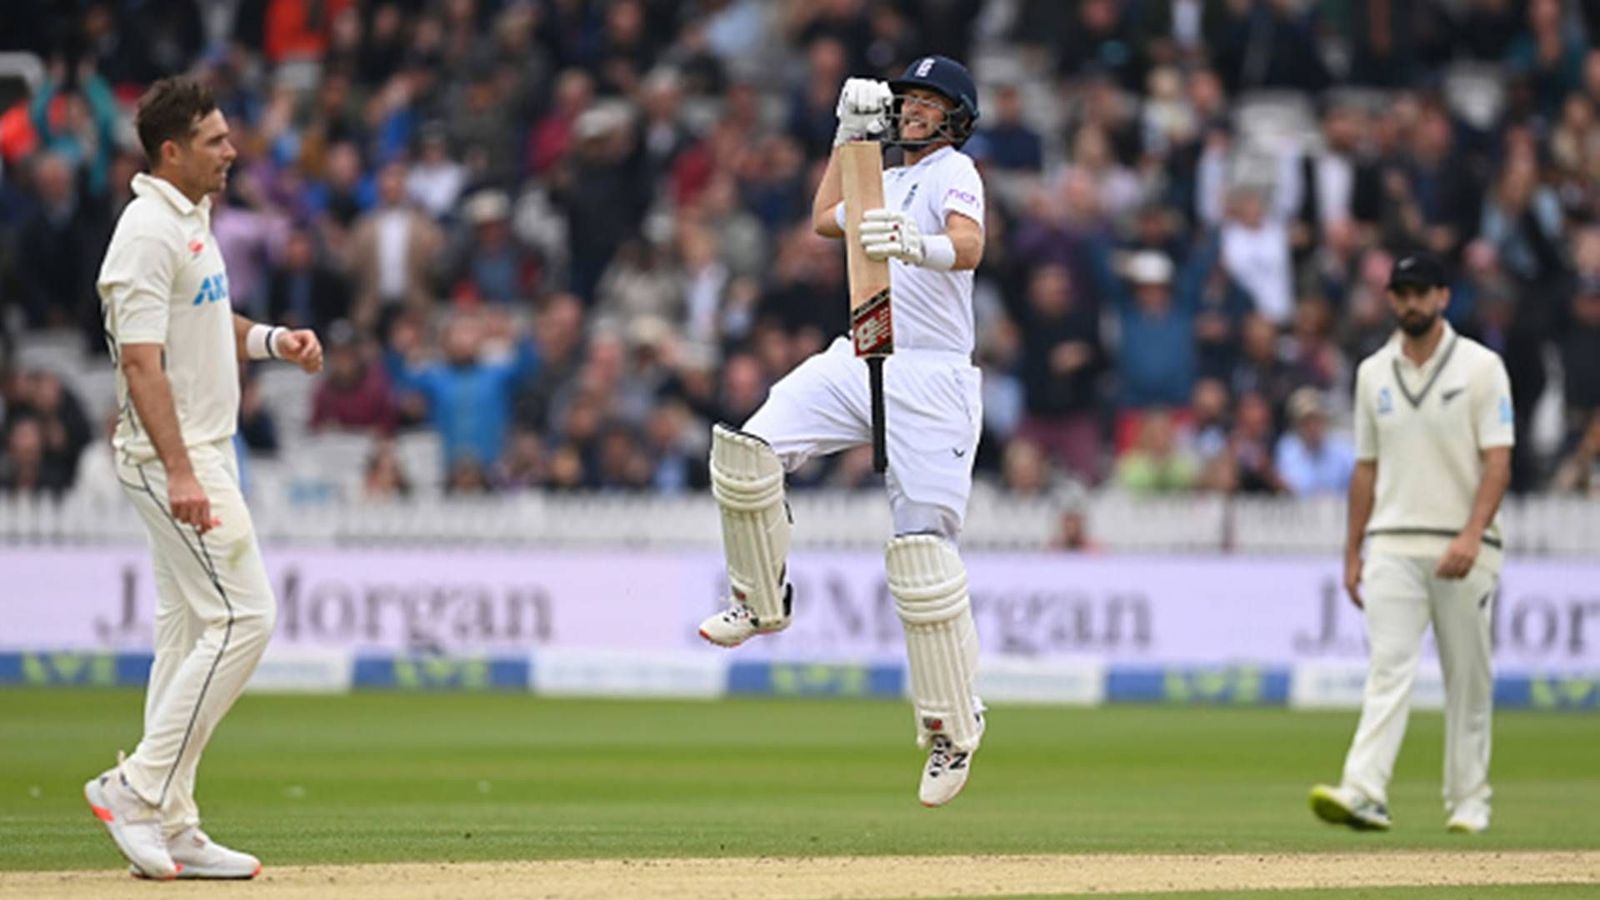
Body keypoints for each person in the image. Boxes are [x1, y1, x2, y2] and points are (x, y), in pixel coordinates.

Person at [698, 56, 987, 808]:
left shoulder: (958, 171)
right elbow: (827, 217)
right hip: (861, 350)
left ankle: (954, 727)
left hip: (933, 376)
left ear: (954, 116)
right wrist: (846, 136)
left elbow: (970, 244)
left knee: (922, 559)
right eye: (905, 103)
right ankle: (762, 599)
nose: (912, 112)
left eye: (926, 103)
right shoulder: (880, 178)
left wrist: (915, 247)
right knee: (745, 452)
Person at [85, 77, 324, 880]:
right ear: (172, 152)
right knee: (247, 617)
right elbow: (142, 363)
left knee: (188, 631)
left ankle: (176, 821)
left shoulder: (189, 219)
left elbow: (203, 320)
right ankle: (137, 787)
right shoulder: (145, 234)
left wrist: (274, 341)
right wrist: (183, 470)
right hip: (172, 458)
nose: (232, 151)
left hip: (205, 449)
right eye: (216, 141)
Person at [1310, 253, 1514, 835]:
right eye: (1401, 292)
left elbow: (1498, 461)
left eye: (1421, 291)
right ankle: (1365, 790)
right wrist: (1352, 551)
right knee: (1387, 668)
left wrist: (1473, 533)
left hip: (1464, 547)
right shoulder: (1373, 372)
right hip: (1393, 543)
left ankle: (1470, 799)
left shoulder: (1481, 368)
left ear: (1444, 296)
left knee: (1468, 676)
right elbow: (1365, 470)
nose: (1410, 303)